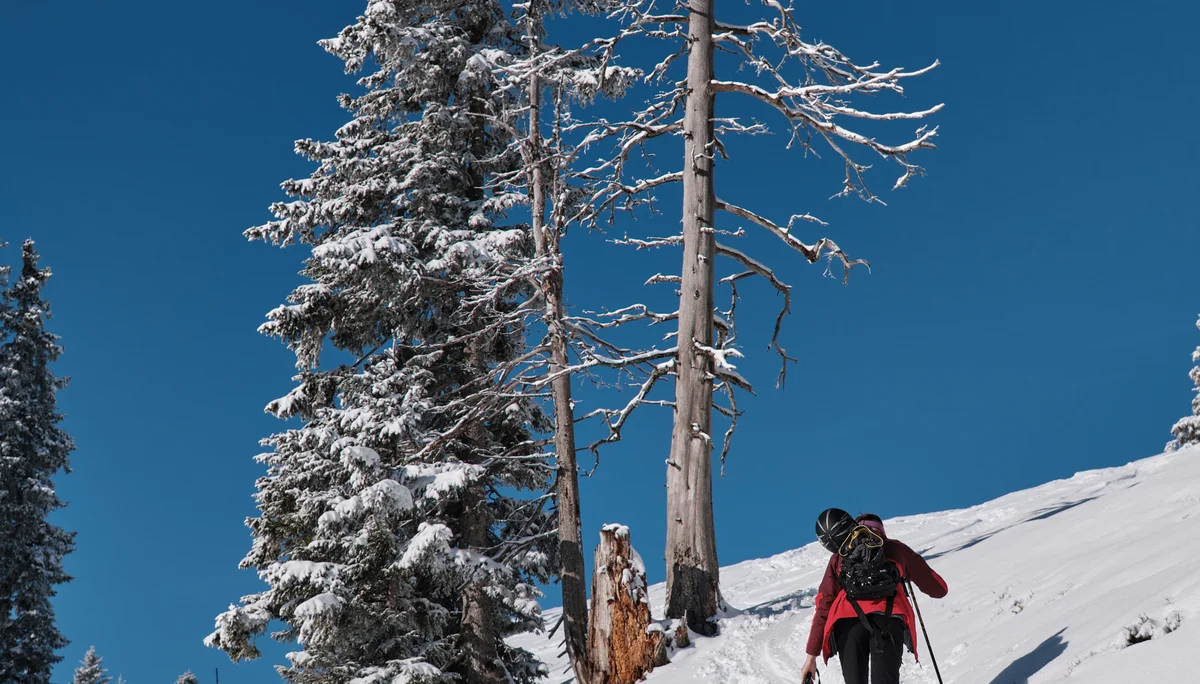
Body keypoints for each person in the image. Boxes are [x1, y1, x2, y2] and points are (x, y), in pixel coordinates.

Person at [798, 511, 947, 684]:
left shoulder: (839, 557)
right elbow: (939, 589)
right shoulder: (894, 548)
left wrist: (811, 657)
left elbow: (824, 605)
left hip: (847, 623)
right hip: (889, 618)